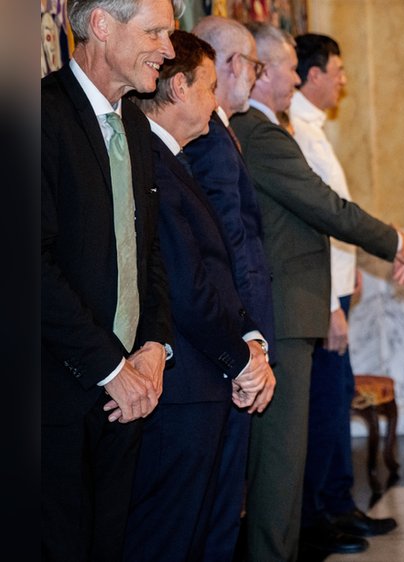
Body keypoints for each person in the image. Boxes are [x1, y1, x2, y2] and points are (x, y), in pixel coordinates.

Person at [229, 23, 404, 561]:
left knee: (285, 459)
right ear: (260, 71)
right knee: (279, 465)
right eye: (289, 67)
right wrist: (399, 243)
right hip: (283, 314)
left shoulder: (264, 128)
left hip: (289, 310)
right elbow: (325, 207)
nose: (296, 76)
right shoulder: (258, 132)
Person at [125, 30, 276, 561]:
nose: (215, 103)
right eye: (210, 87)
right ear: (181, 86)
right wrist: (244, 356)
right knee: (168, 538)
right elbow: (189, 283)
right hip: (183, 383)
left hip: (199, 378)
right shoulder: (149, 162)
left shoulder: (173, 159)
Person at [41, 0, 175, 558]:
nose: (168, 49)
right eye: (156, 32)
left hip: (129, 394)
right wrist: (110, 367)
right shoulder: (40, 115)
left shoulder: (136, 123)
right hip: (56, 396)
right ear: (101, 25)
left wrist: (153, 349)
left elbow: (150, 255)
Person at [287, 32, 397, 555]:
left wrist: (347, 272)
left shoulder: (315, 128)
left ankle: (338, 503)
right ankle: (323, 513)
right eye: (338, 69)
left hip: (335, 287)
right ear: (313, 76)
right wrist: (331, 301)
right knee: (326, 406)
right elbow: (319, 219)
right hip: (320, 298)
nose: (344, 79)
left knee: (333, 401)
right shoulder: (298, 133)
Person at [185, 16, 277, 560]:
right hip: (227, 344)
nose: (251, 77)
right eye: (253, 65)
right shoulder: (211, 141)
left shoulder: (219, 133)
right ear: (233, 65)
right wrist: (252, 341)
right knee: (218, 497)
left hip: (228, 340)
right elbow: (230, 250)